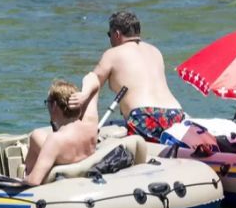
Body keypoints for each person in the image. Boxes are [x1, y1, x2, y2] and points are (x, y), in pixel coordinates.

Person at [68, 10, 186, 142]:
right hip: (175, 115)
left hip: (144, 116)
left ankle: (85, 129)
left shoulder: (112, 53)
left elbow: (93, 78)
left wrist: (83, 94)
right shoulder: (155, 51)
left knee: (90, 79)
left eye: (109, 35)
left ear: (117, 34)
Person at [23, 79, 99, 186]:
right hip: (79, 171)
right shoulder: (91, 127)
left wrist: (21, 181)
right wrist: (84, 94)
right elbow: (93, 78)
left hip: (58, 172)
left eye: (47, 103)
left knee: (36, 135)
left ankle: (24, 172)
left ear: (54, 106)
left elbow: (34, 181)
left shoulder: (56, 140)